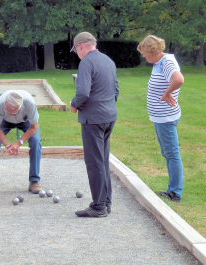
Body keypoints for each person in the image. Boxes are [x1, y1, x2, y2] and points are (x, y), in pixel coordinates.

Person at [70, 32, 119, 217]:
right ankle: (106, 203)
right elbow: (116, 90)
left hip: (93, 119)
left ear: (80, 46)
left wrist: (74, 104)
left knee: (94, 162)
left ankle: (98, 207)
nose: (76, 53)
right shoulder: (108, 60)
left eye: (75, 50)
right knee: (103, 160)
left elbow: (82, 92)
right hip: (109, 117)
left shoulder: (86, 62)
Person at [137, 35, 184, 202]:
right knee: (167, 152)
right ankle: (173, 189)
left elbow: (179, 79)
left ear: (152, 50)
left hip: (166, 117)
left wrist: (167, 93)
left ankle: (175, 192)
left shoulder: (167, 62)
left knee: (172, 154)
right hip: (159, 117)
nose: (143, 55)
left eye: (144, 52)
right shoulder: (158, 63)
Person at [0, 90, 42, 194]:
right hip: (4, 122)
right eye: (8, 111)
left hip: (26, 122)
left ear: (21, 106)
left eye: (14, 111)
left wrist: (18, 142)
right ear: (5, 103)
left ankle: (34, 181)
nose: (11, 114)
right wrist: (7, 144)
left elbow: (34, 127)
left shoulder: (29, 103)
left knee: (35, 142)